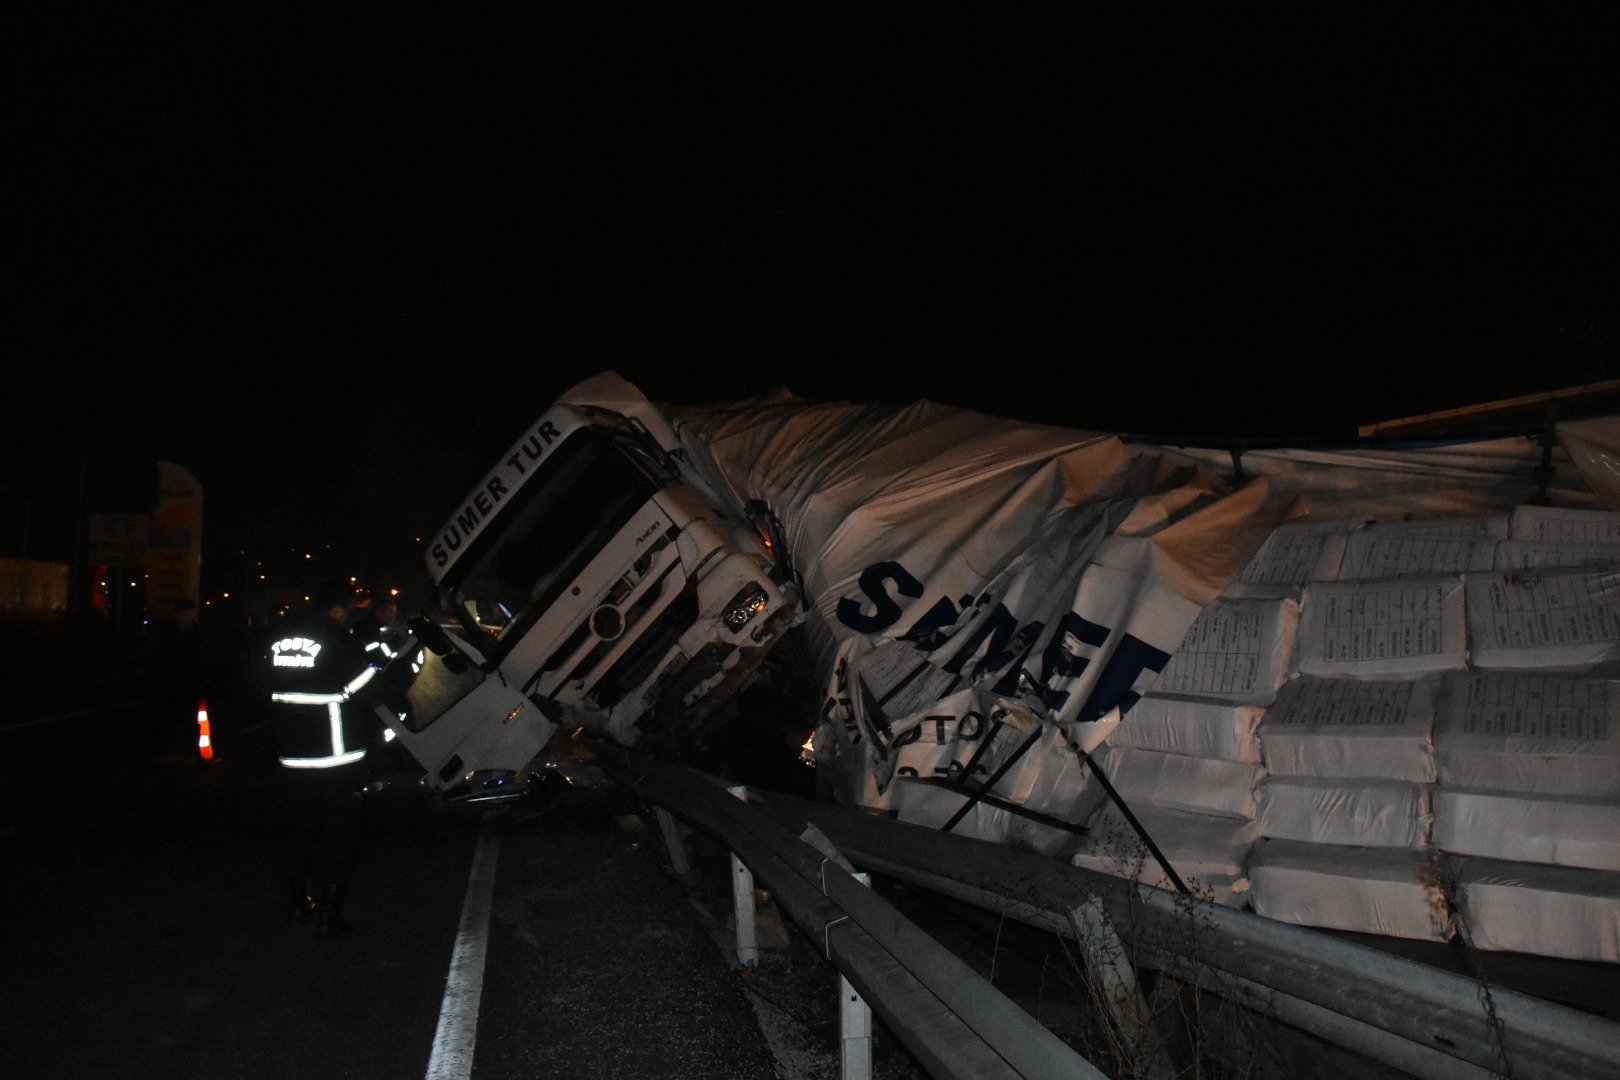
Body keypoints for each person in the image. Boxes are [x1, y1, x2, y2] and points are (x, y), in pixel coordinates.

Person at [263, 578, 384, 938]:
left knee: (298, 833)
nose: (347, 617)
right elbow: (366, 690)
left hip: (291, 754)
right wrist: (377, 668)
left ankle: (298, 902)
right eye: (346, 610)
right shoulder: (338, 640)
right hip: (335, 759)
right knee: (341, 838)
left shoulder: (278, 638)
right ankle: (330, 913)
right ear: (336, 610)